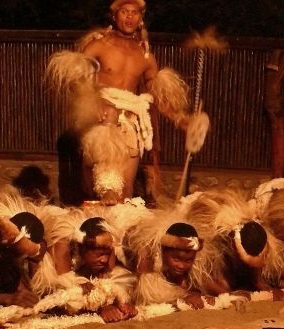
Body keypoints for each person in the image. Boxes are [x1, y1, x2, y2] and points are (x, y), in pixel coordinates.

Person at [47, 0, 206, 205]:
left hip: (131, 123)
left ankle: (118, 231)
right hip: (102, 118)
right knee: (103, 188)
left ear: (141, 18)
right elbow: (76, 77)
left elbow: (157, 95)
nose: (129, 17)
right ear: (115, 16)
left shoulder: (145, 55)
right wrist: (93, 102)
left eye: (134, 13)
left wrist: (181, 119)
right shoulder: (99, 45)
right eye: (124, 12)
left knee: (125, 191)